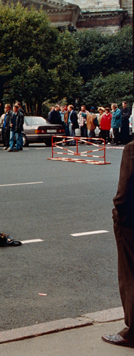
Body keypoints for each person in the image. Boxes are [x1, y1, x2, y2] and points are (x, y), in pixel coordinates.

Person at [102, 141, 134, 349]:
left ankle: (132, 332)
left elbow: (124, 193)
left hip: (130, 223)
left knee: (130, 274)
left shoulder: (132, 149)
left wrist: (118, 216)